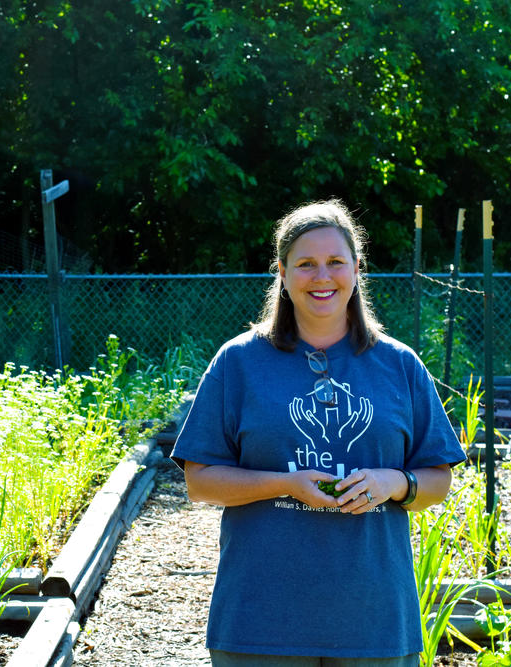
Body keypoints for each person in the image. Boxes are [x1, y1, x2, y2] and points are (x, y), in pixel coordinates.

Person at [170, 199, 466, 667]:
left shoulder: (399, 365)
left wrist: (395, 483)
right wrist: (286, 483)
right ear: (282, 273)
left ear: (357, 269)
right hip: (260, 622)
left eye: (335, 262)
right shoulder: (239, 362)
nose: (321, 276)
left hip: (375, 622)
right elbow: (200, 480)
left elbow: (437, 478)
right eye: (305, 264)